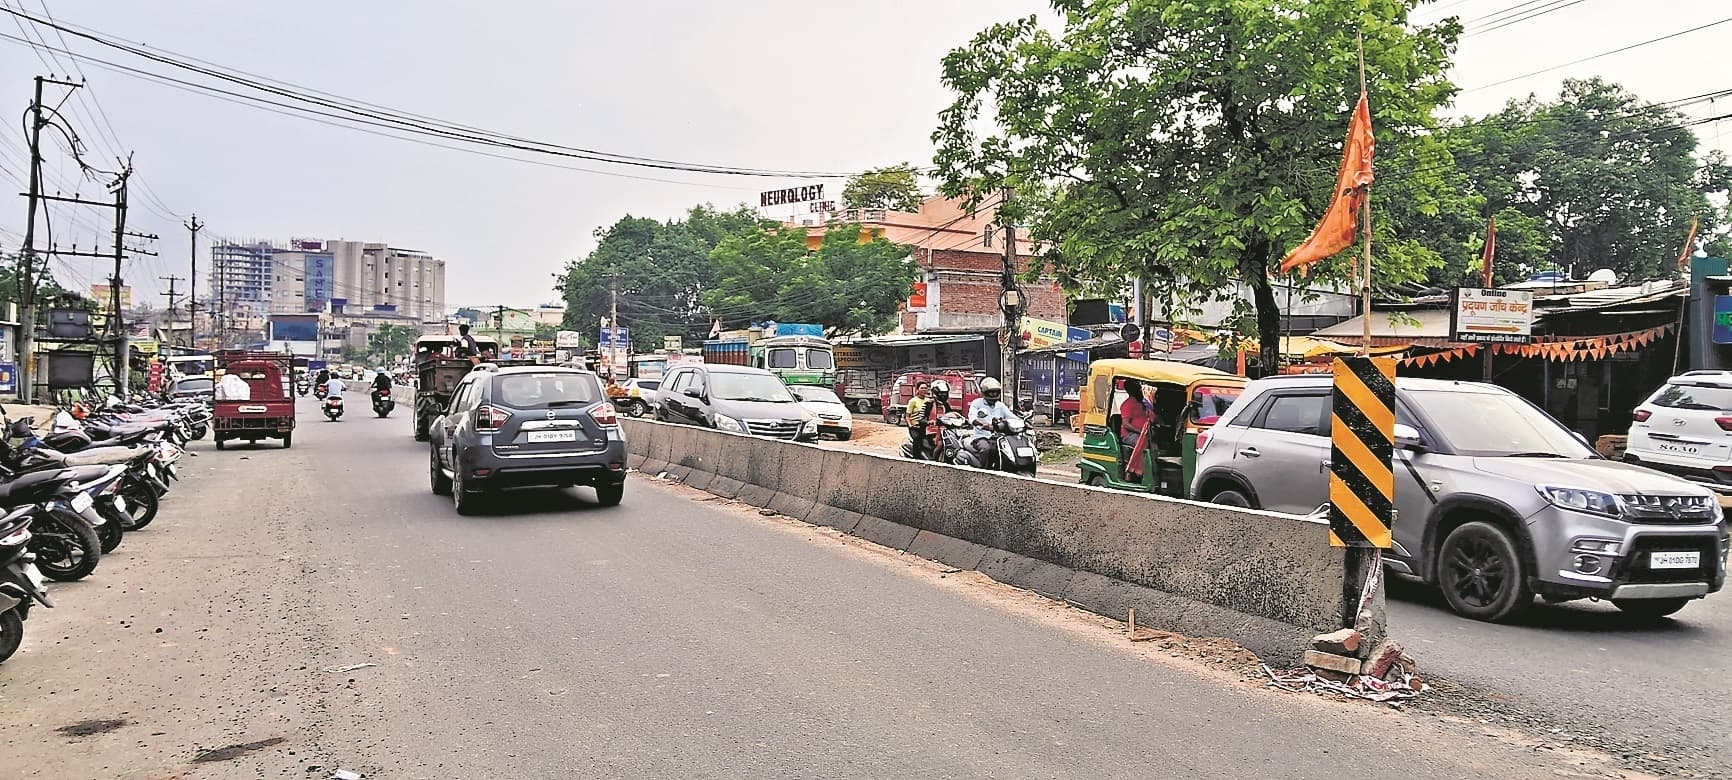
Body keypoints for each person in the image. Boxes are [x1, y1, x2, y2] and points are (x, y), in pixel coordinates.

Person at [1119, 379, 1158, 480]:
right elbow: (1126, 424)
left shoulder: (1143, 403)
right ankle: (1132, 471)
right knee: (1141, 442)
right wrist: (1140, 432)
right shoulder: (1127, 404)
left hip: (1145, 433)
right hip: (1129, 435)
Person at [904, 381, 931, 459]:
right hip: (915, 427)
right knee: (917, 439)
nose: (924, 390)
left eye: (925, 388)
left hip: (925, 426)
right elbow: (907, 416)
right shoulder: (913, 401)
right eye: (922, 388)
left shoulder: (929, 401)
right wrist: (910, 425)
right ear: (917, 390)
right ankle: (916, 458)